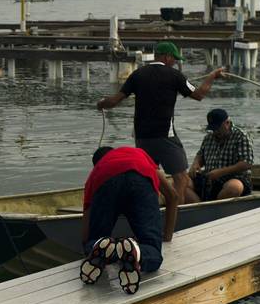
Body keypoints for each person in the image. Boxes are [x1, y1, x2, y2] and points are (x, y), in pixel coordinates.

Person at [96, 41, 224, 203]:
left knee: (149, 176)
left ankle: (152, 207)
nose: (176, 62)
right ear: (166, 57)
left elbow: (114, 101)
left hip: (142, 137)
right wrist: (212, 76)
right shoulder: (174, 75)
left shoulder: (137, 74)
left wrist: (100, 104)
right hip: (165, 136)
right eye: (174, 59)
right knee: (181, 178)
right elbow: (199, 94)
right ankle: (174, 211)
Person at [79, 146, 179, 294]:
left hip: (105, 180)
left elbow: (85, 234)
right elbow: (173, 196)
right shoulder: (138, 154)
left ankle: (106, 248)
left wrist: (88, 248)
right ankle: (136, 253)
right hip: (140, 176)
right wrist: (167, 236)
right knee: (152, 249)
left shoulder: (97, 172)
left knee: (95, 241)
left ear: (97, 164)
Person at [187, 108, 254, 201]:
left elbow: (246, 163)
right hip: (209, 179)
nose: (215, 132)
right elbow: (200, 155)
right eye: (213, 129)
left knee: (234, 187)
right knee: (180, 183)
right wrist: (195, 164)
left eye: (218, 128)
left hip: (234, 178)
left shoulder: (241, 136)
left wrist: (220, 172)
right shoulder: (208, 137)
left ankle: (215, 207)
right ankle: (199, 207)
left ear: (227, 123)